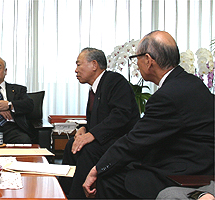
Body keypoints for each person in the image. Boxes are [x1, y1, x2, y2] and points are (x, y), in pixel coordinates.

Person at [82, 30, 214, 199]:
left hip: (187, 172)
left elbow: (135, 141)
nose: (136, 63)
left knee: (108, 179)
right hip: (198, 162)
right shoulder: (190, 82)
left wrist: (97, 169)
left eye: (136, 58)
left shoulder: (168, 95)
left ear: (148, 60)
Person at [58, 47, 140, 198]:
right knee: (72, 145)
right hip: (106, 138)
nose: (76, 70)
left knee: (88, 149)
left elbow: (121, 115)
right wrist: (84, 128)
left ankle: (77, 196)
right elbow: (99, 120)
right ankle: (63, 192)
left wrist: (92, 134)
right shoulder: (94, 89)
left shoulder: (114, 81)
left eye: (79, 64)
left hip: (123, 141)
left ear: (94, 64)